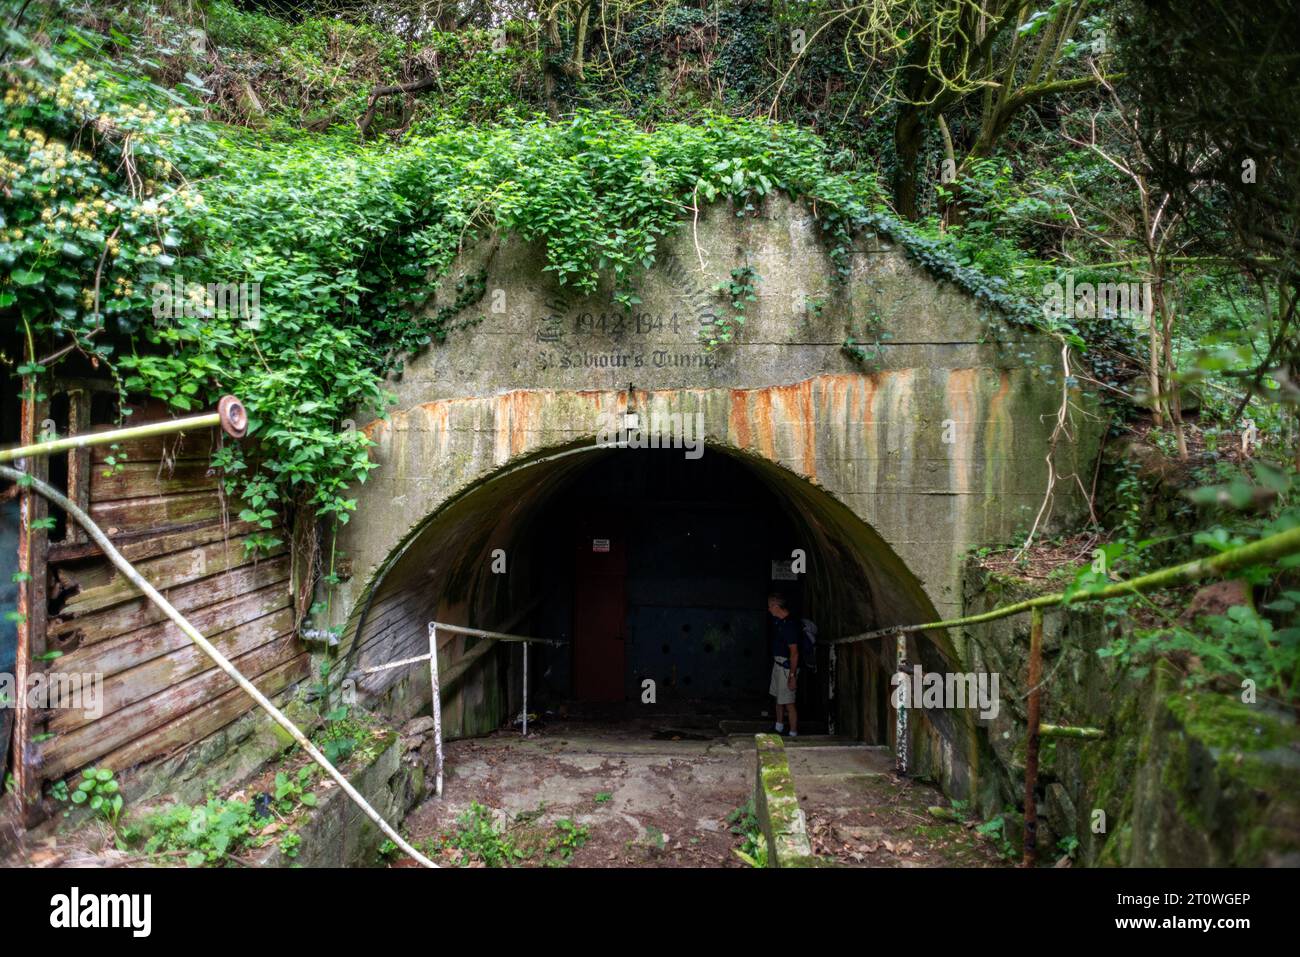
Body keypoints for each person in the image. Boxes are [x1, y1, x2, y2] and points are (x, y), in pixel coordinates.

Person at [767, 592, 799, 737]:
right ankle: (778, 727)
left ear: (776, 606)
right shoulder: (779, 622)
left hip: (786, 668)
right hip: (777, 664)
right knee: (778, 698)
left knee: (788, 702)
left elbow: (794, 652)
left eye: (770, 606)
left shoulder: (790, 625)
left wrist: (792, 675)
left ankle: (793, 733)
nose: (769, 610)